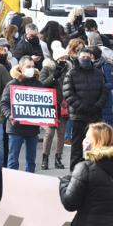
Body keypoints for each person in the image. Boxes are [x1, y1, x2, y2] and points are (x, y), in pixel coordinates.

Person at [63, 47, 108, 171]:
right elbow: (68, 93)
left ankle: (95, 172)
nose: (86, 59)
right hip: (78, 116)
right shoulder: (71, 73)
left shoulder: (98, 73)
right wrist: (81, 106)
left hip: (95, 115)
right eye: (83, 57)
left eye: (88, 57)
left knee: (96, 145)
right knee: (77, 146)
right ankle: (75, 172)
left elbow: (104, 92)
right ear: (78, 57)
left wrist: (97, 106)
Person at [0, 56, 44, 172]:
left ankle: (30, 185)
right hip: (16, 128)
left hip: (32, 128)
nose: (31, 69)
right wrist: (10, 115)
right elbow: (4, 103)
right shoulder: (12, 84)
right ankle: (12, 186)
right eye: (28, 67)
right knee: (13, 160)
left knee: (31, 161)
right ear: (21, 68)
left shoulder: (39, 84)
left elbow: (45, 104)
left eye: (33, 67)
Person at [40, 41, 70, 170]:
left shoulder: (69, 69)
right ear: (56, 58)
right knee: (49, 133)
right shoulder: (47, 68)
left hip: (63, 105)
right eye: (61, 58)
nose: (63, 60)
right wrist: (54, 76)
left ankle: (58, 158)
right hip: (50, 106)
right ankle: (45, 158)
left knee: (61, 133)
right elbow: (42, 85)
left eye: (65, 58)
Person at [90, 46, 113, 129]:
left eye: (89, 55)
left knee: (107, 127)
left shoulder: (105, 66)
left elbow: (111, 83)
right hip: (92, 100)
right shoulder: (87, 66)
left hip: (106, 100)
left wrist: (98, 87)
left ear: (93, 56)